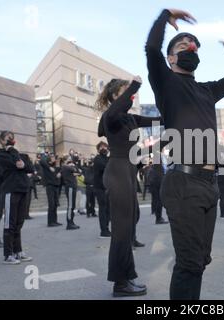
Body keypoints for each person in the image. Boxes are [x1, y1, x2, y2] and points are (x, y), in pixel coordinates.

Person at [146, 8, 224, 300]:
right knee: (189, 262)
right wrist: (164, 16)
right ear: (171, 58)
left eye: (193, 45)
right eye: (182, 46)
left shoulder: (208, 90)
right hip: (183, 182)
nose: (190, 48)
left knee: (201, 261)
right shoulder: (165, 83)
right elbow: (151, 47)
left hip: (210, 184)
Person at [97, 76, 160, 297]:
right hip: (118, 171)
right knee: (122, 230)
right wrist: (134, 85)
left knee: (130, 223)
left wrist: (178, 111)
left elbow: (158, 120)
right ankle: (121, 283)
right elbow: (116, 110)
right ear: (116, 96)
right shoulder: (110, 117)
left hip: (129, 171)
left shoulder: (130, 119)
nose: (131, 97)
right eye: (125, 93)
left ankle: (126, 277)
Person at [0, 131, 33, 265]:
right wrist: (12, 150)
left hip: (23, 190)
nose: (11, 139)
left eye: (12, 137)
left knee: (19, 223)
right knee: (9, 224)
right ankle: (8, 254)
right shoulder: (1, 154)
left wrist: (22, 164)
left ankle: (18, 251)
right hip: (10, 191)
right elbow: (13, 164)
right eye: (8, 138)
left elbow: (30, 167)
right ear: (1, 140)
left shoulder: (21, 155)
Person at [94, 142, 111, 238]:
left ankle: (107, 228)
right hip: (99, 188)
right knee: (103, 209)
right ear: (98, 149)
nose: (104, 148)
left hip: (107, 187)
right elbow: (106, 167)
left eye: (105, 146)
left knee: (108, 209)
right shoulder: (98, 159)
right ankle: (103, 230)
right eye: (101, 147)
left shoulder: (107, 158)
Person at [40, 154, 62, 227]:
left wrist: (59, 170)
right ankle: (50, 222)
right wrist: (49, 167)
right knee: (51, 204)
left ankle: (55, 221)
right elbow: (41, 161)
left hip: (56, 187)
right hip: (50, 187)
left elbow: (58, 173)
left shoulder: (56, 166)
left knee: (55, 204)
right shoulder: (46, 166)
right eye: (52, 158)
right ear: (49, 160)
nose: (54, 159)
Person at [61, 157, 82, 230]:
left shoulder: (69, 167)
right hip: (69, 187)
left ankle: (72, 222)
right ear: (64, 161)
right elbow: (76, 170)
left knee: (72, 206)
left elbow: (79, 173)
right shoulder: (65, 167)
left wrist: (75, 169)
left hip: (73, 187)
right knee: (70, 206)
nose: (70, 160)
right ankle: (69, 223)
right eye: (68, 159)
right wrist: (74, 167)